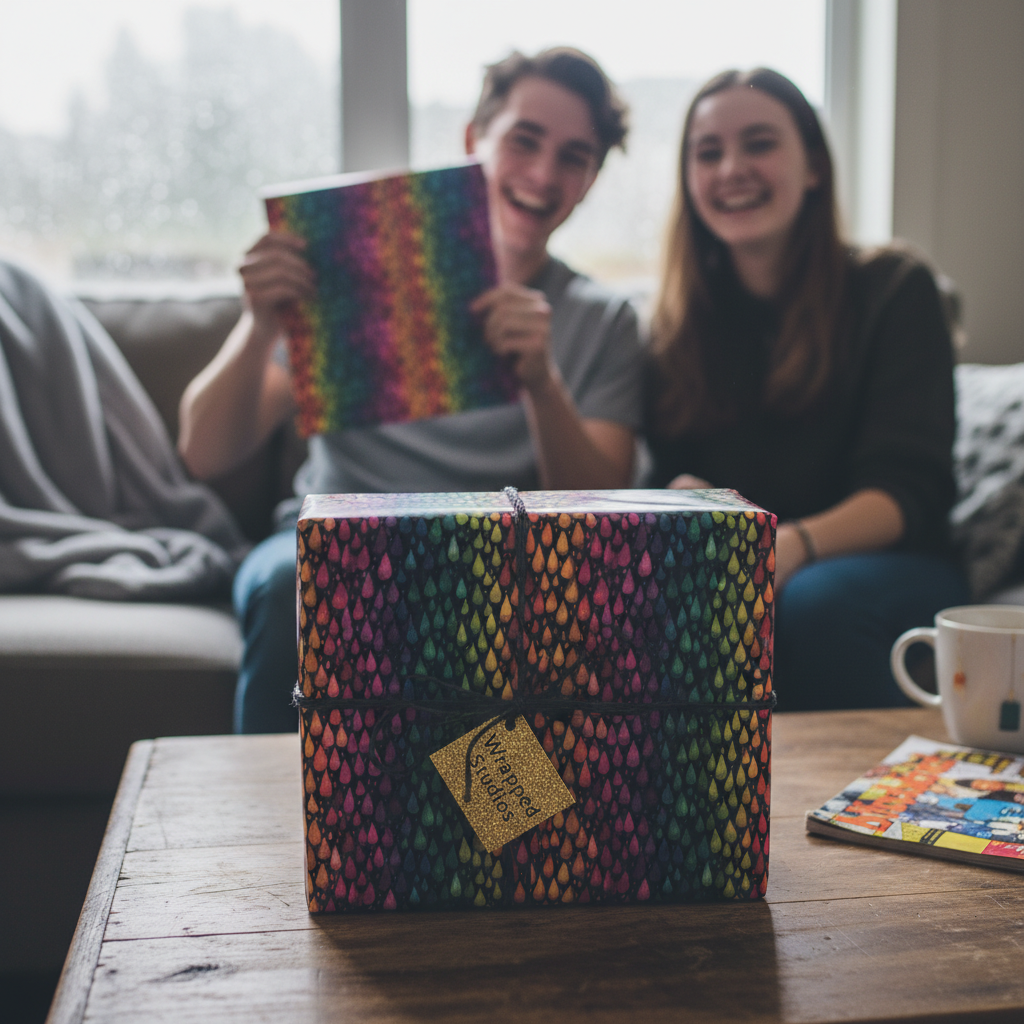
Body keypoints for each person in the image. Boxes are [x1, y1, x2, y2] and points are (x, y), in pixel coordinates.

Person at [178, 48, 644, 733]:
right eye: (523, 141)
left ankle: (491, 828)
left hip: (486, 561)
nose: (544, 174)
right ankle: (288, 825)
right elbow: (204, 454)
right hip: (328, 546)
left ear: (591, 179)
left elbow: (600, 506)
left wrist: (542, 385)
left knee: (468, 616)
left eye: (574, 157)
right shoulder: (355, 272)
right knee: (292, 584)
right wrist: (257, 328)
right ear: (472, 140)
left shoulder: (601, 319)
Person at [644, 68, 969, 712]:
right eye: (707, 152)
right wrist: (681, 494)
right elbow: (672, 468)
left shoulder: (895, 288)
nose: (731, 167)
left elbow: (907, 491)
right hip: (749, 568)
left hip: (885, 564)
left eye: (759, 143)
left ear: (814, 166)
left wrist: (786, 547)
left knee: (814, 602)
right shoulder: (678, 324)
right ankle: (590, 805)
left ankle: (862, 810)